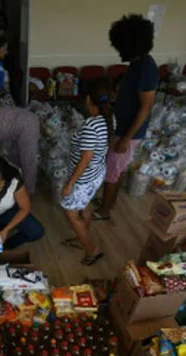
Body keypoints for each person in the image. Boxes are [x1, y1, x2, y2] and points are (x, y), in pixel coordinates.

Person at [93, 15, 158, 222]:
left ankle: (104, 211)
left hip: (129, 132)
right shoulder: (137, 64)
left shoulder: (146, 68)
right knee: (117, 170)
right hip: (122, 128)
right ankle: (108, 202)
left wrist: (126, 139)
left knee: (112, 170)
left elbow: (146, 106)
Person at [60, 79, 112, 266]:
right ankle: (81, 236)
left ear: (88, 99)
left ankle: (91, 249)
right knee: (85, 206)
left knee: (71, 215)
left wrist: (70, 184)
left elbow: (85, 158)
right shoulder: (108, 118)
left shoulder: (91, 126)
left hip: (83, 179)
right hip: (96, 174)